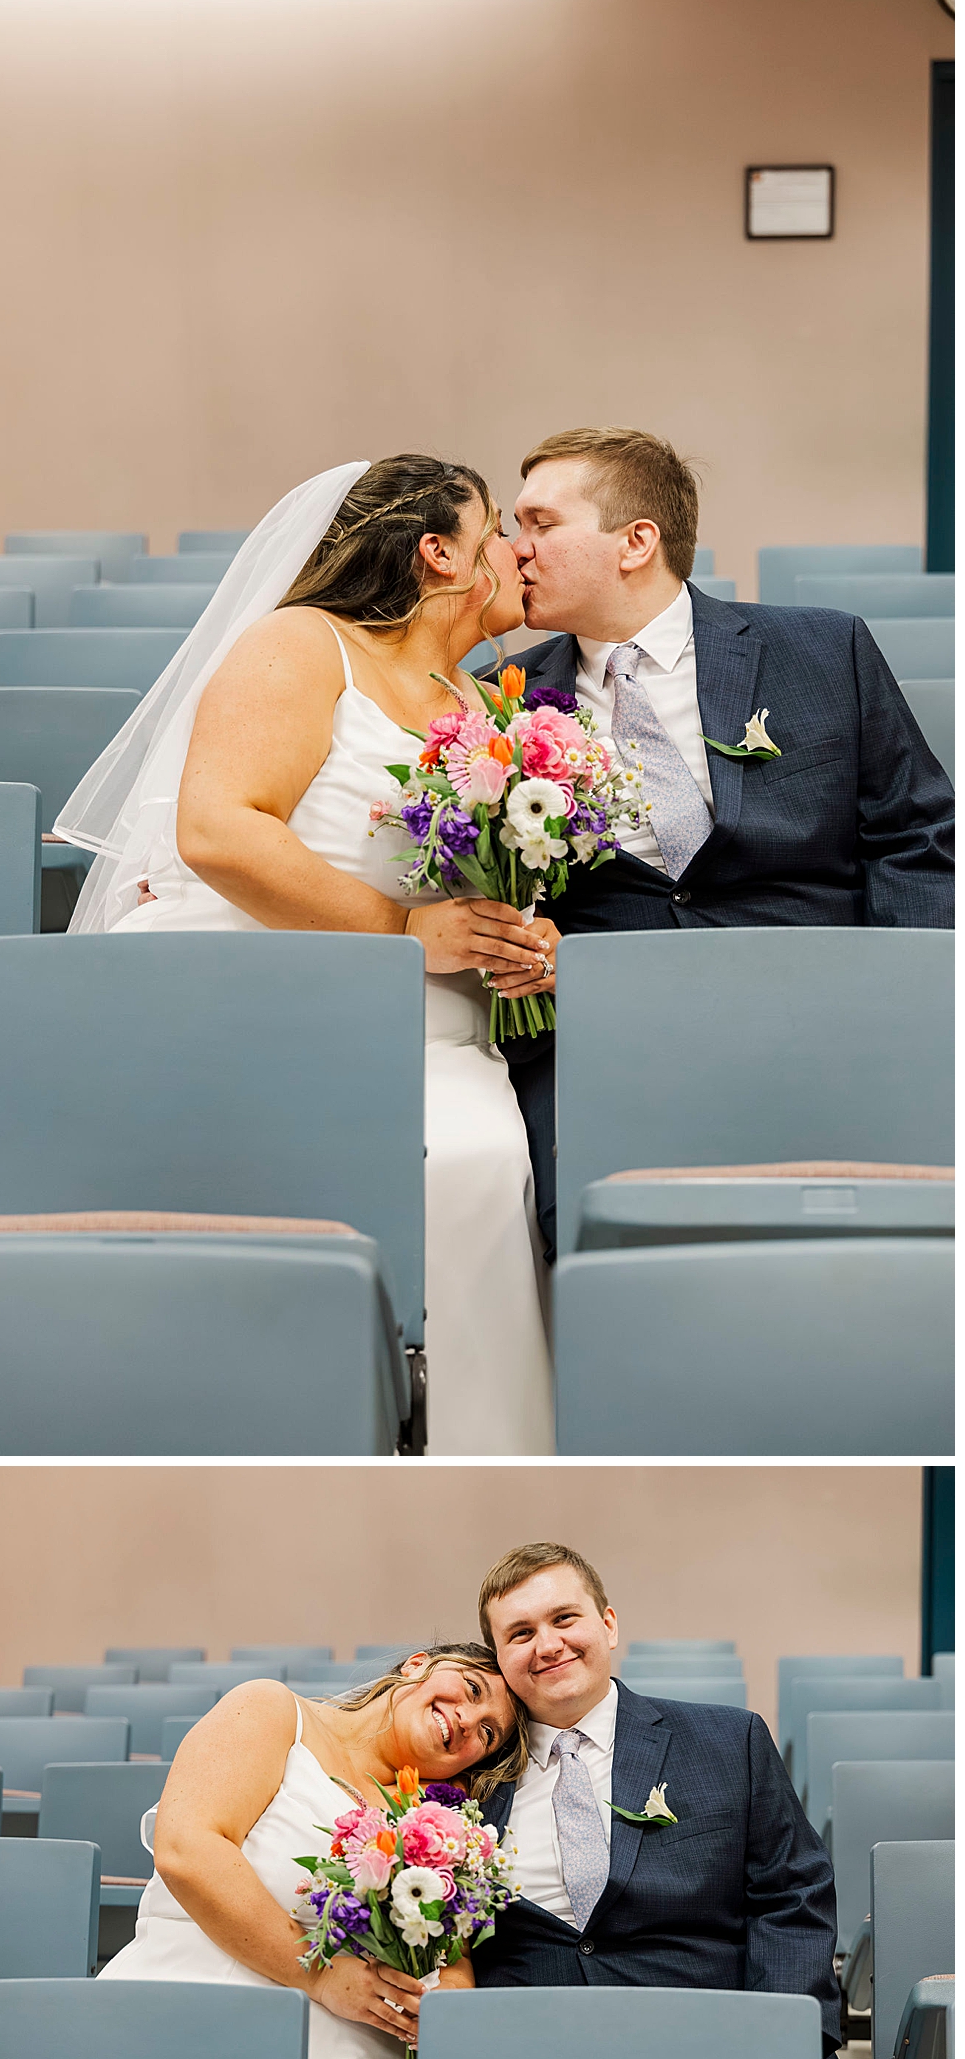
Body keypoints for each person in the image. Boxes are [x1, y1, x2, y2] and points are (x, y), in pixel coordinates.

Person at [56, 456, 558, 1452]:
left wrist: (519, 931)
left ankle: (472, 1440)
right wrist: (401, 934)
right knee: (439, 1159)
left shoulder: (489, 702)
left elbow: (475, 885)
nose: (514, 553)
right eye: (496, 528)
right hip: (271, 992)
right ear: (439, 553)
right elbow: (217, 831)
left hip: (437, 1021)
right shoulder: (299, 644)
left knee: (484, 1160)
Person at [499, 428, 956, 1260]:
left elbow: (916, 835)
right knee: (594, 1244)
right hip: (605, 1027)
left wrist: (910, 1014)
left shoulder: (822, 648)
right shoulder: (507, 698)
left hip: (820, 1001)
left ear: (637, 541)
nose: (513, 549)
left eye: (538, 522)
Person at [474, 1542, 854, 2059]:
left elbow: (793, 1898)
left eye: (564, 1619)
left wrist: (781, 2040)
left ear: (608, 1624)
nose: (547, 1645)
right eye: (520, 1633)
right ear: (498, 1659)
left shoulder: (729, 1742)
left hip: (719, 2040)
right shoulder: (467, 1782)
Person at [97, 1646, 526, 2059]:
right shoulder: (274, 1711)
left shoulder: (437, 1822)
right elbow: (186, 1850)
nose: (469, 1720)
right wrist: (321, 1978)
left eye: (488, 1733)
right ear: (418, 1663)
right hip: (191, 2000)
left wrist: (447, 1999)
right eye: (471, 1689)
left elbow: (453, 1955)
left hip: (350, 2057)